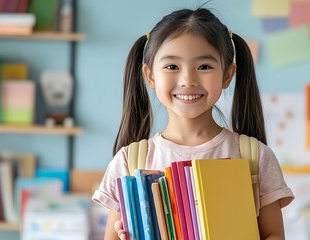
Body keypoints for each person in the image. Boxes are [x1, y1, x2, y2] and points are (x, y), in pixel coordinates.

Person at [92, 7, 294, 240]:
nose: (188, 80)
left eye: (204, 66)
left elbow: (273, 234)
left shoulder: (255, 156)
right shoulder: (129, 161)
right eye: (172, 67)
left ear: (227, 75)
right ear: (150, 76)